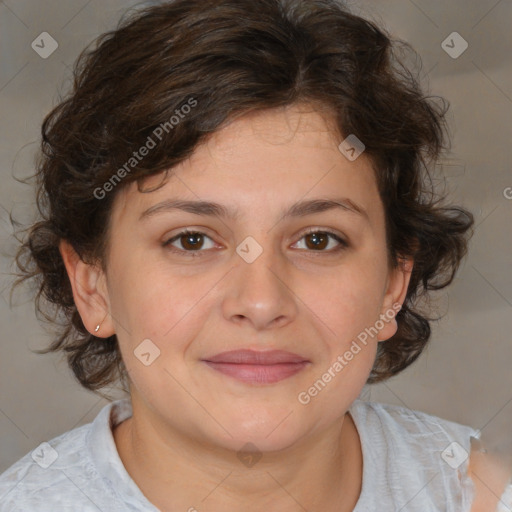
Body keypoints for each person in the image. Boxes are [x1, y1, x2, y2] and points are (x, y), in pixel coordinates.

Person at [0, 0, 510, 510]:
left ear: (393, 283)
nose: (262, 303)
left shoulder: (481, 492)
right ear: (93, 286)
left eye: (318, 240)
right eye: (192, 240)